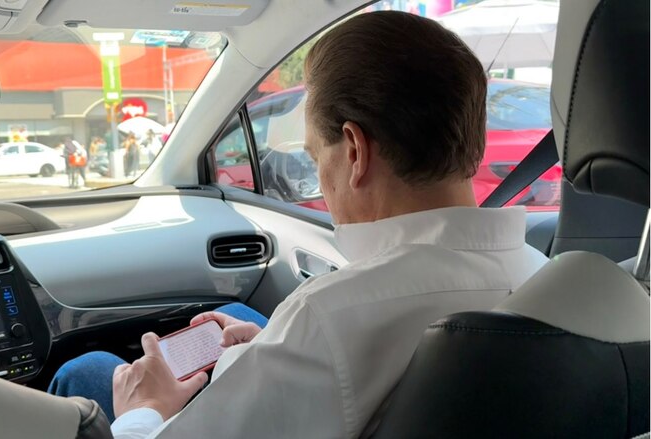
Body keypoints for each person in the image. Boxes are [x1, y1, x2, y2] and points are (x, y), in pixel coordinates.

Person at [50, 11, 549, 438]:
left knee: (89, 373)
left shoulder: (330, 318)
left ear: (354, 152)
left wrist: (142, 413)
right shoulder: (550, 277)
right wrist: (266, 349)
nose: (320, 180)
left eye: (314, 157)